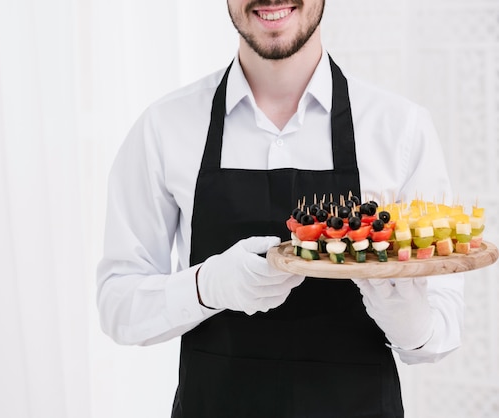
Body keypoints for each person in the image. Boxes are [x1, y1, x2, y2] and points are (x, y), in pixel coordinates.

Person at [97, 1, 465, 417]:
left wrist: (404, 313)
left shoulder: (400, 128)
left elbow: (440, 333)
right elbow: (117, 305)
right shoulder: (165, 127)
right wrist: (205, 286)